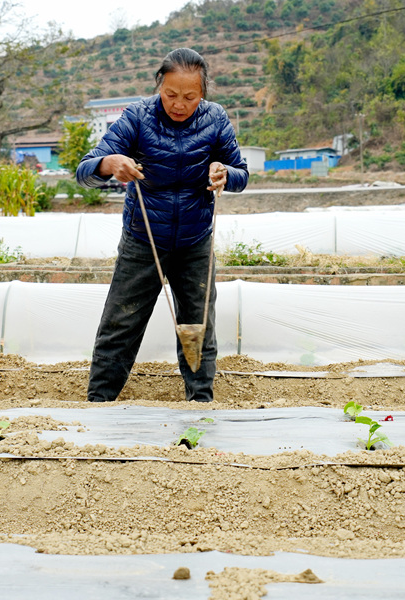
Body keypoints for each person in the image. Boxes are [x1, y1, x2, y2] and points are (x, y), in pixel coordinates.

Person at [76, 47, 249, 403]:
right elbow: (86, 169)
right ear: (159, 86)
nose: (179, 104)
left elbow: (241, 173)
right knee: (121, 323)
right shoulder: (138, 116)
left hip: (194, 241)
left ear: (203, 94)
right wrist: (110, 163)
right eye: (170, 95)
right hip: (143, 239)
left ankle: (200, 402)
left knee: (198, 326)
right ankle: (99, 401)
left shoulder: (215, 119)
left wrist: (224, 174)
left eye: (190, 96)